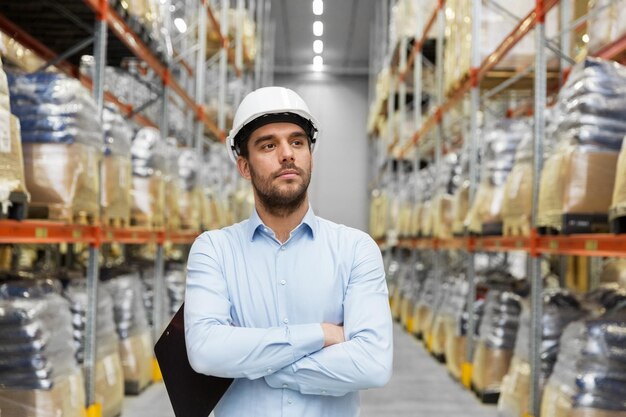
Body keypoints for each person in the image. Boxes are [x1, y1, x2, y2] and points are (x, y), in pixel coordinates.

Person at [185, 86, 393, 417]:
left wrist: (253, 363)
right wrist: (321, 335)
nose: (287, 154)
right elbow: (206, 353)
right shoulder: (214, 250)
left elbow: (373, 364)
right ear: (244, 167)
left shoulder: (355, 250)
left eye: (297, 142)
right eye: (268, 145)